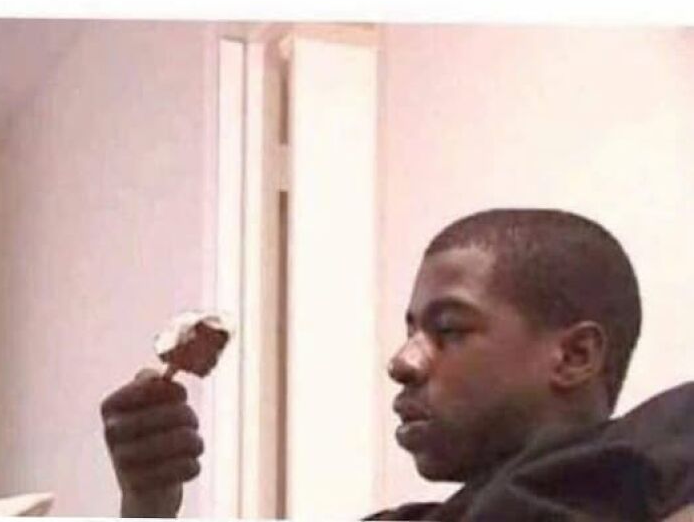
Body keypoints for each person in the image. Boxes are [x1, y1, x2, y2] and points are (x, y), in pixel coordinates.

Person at [101, 209, 694, 519]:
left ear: (575, 355)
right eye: (411, 331)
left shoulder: (662, 471)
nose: (402, 362)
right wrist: (150, 505)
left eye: (449, 330)